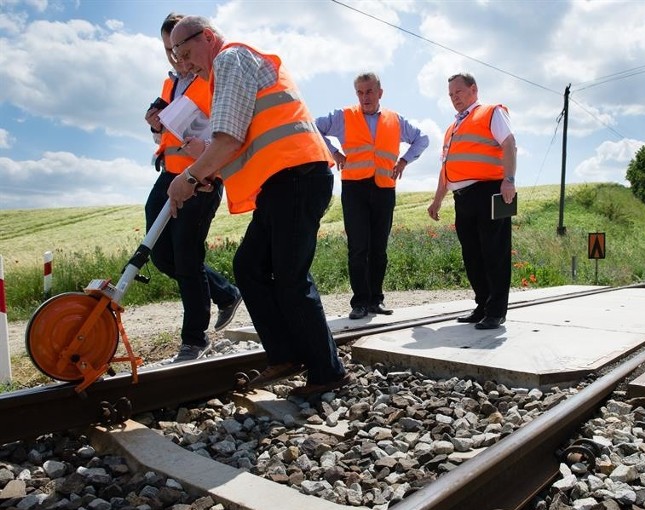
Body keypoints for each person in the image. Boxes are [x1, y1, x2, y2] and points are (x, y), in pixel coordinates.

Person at [166, 16, 351, 396]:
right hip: (282, 182)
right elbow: (239, 141)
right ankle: (285, 355)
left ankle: (327, 372)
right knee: (249, 266)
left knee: (289, 275)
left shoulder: (230, 59)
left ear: (209, 37)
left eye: (186, 54)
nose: (185, 65)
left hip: (298, 176)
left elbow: (228, 140)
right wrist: (205, 173)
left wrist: (187, 178)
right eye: (177, 59)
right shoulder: (222, 74)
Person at [144, 12, 241, 363]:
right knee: (161, 254)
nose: (177, 58)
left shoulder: (214, 78)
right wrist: (155, 125)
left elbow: (226, 128)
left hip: (201, 178)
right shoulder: (169, 86)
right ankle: (225, 292)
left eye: (181, 50)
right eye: (170, 51)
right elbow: (165, 133)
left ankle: (194, 339)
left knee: (187, 255)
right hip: (168, 174)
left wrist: (202, 160)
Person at [316, 73, 429, 320]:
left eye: (369, 91)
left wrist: (404, 160)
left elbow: (422, 139)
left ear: (380, 92)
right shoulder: (343, 116)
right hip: (355, 188)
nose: (364, 97)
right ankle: (359, 302)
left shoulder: (395, 119)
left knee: (379, 248)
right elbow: (314, 128)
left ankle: (376, 300)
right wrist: (334, 152)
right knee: (358, 248)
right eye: (360, 92)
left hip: (385, 188)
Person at [427, 73, 517, 330]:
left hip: (490, 191)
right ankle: (482, 305)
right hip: (463, 197)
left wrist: (508, 180)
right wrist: (437, 201)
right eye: (451, 95)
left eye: (459, 92)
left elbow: (510, 143)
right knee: (472, 255)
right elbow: (446, 168)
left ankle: (497, 310)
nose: (454, 98)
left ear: (473, 89)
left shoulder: (491, 112)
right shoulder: (452, 128)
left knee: (494, 252)